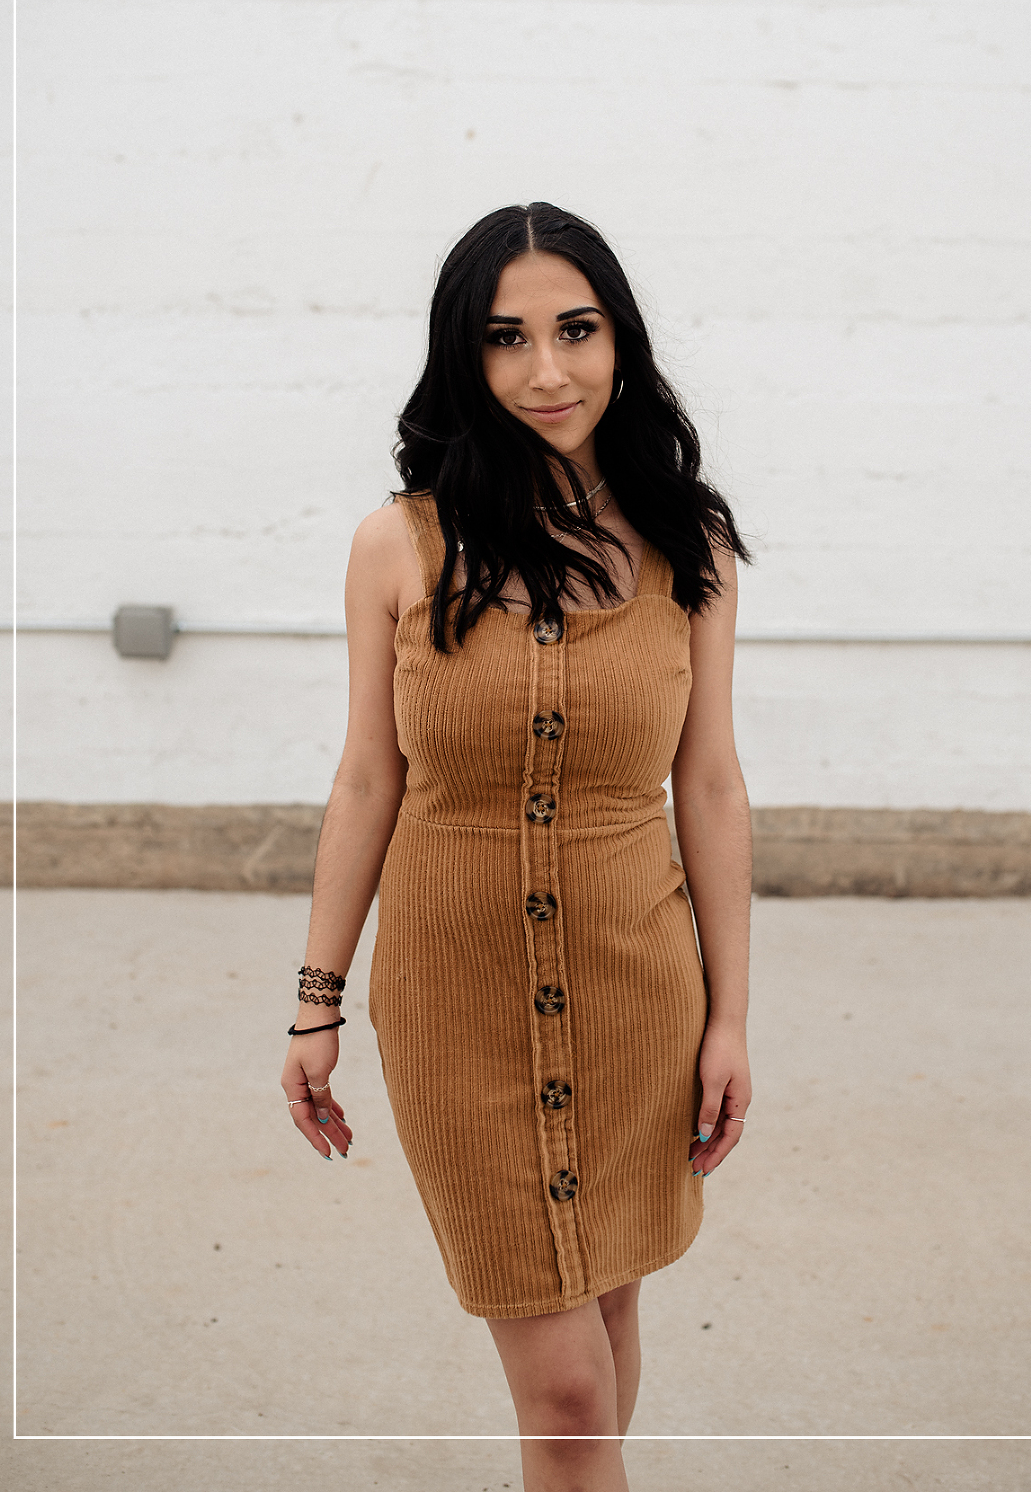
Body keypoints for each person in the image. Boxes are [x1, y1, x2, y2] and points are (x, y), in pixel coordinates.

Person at [281, 202, 753, 1490]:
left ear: (620, 338)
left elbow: (707, 785)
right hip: (456, 1003)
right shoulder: (400, 544)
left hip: (633, 990)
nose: (548, 371)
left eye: (576, 330)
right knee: (562, 1384)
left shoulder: (688, 543)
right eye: (507, 339)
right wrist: (313, 1004)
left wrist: (730, 1018)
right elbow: (368, 777)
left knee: (607, 1326)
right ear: (464, 358)